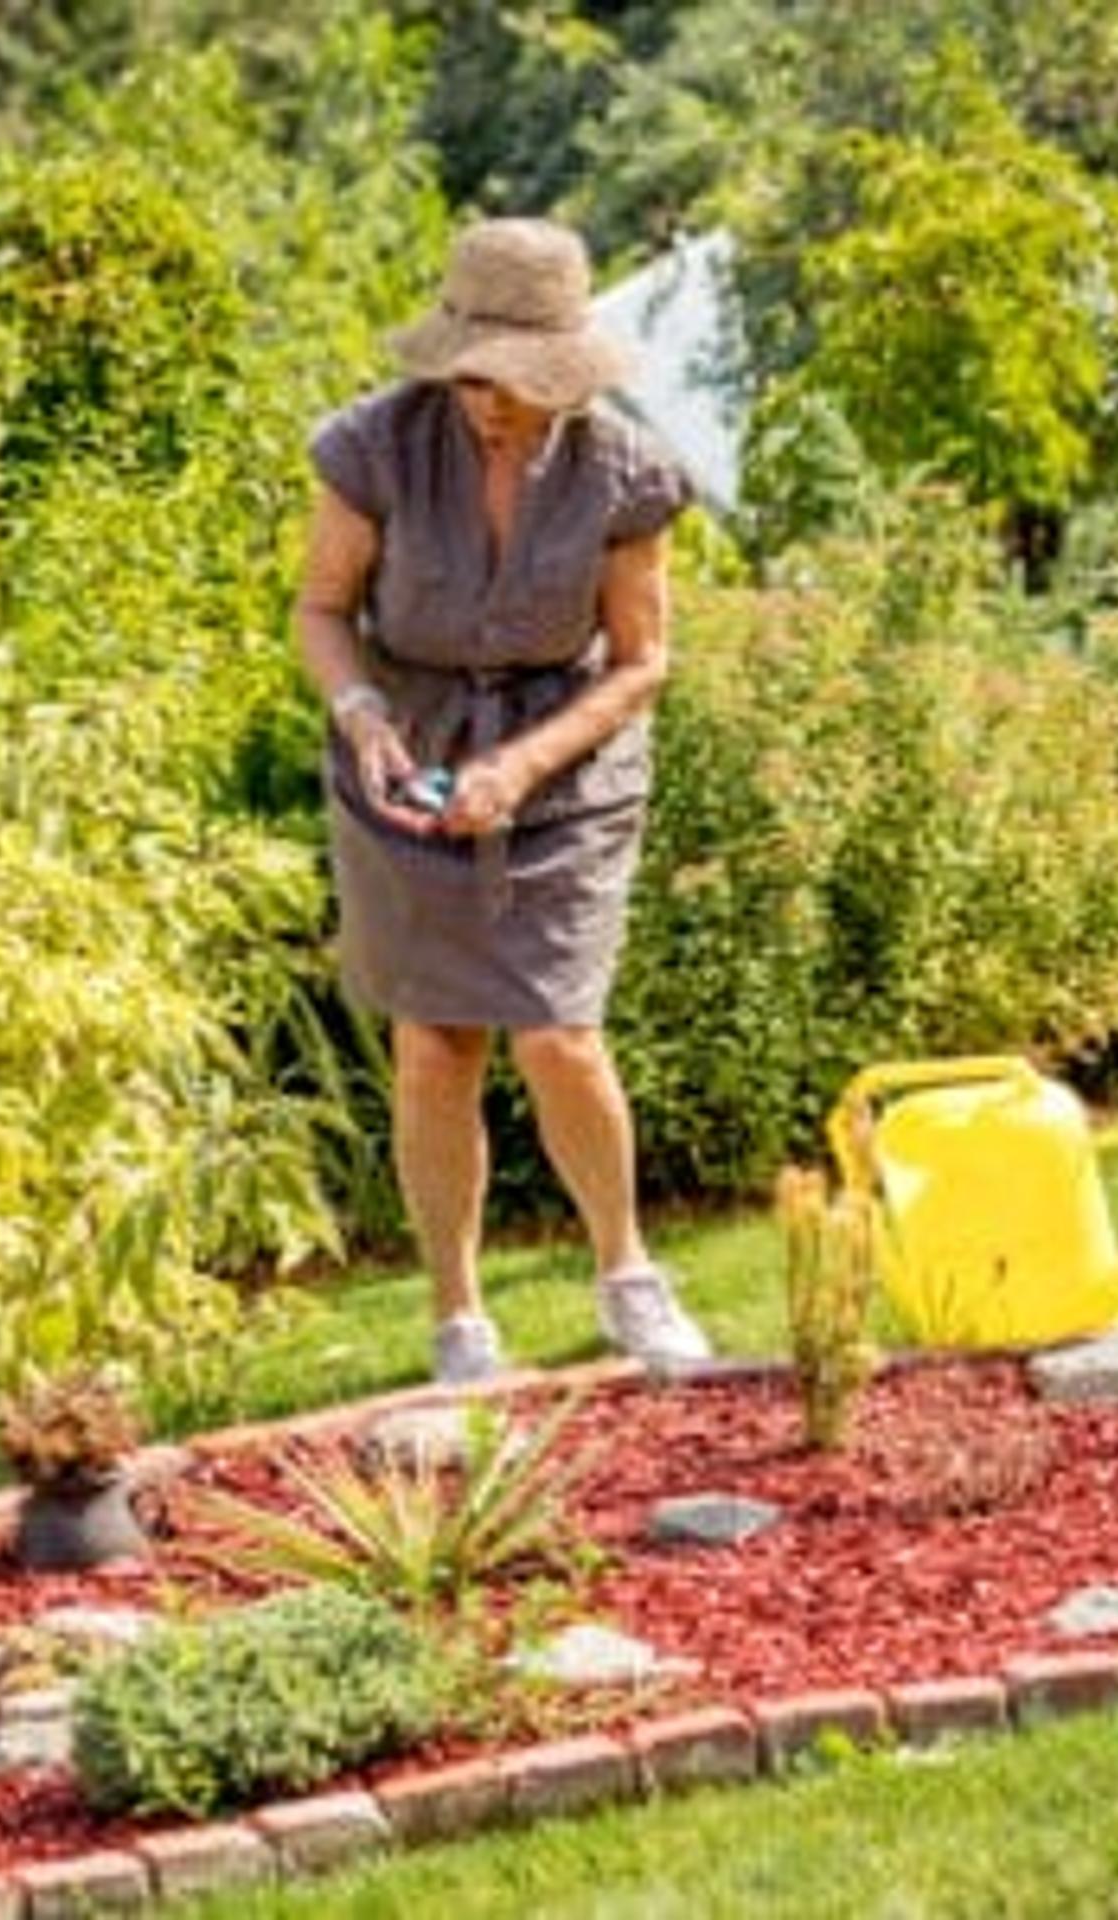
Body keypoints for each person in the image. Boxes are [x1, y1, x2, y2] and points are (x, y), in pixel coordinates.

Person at [291, 215, 713, 1390]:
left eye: (517, 382)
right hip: (406, 768)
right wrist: (364, 716)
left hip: (567, 773)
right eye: (474, 376)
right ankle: (459, 1320)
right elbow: (322, 610)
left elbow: (641, 662)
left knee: (559, 1033)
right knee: (435, 1047)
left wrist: (522, 767)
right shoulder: (374, 448)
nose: (491, 402)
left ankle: (628, 1276)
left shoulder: (624, 477)